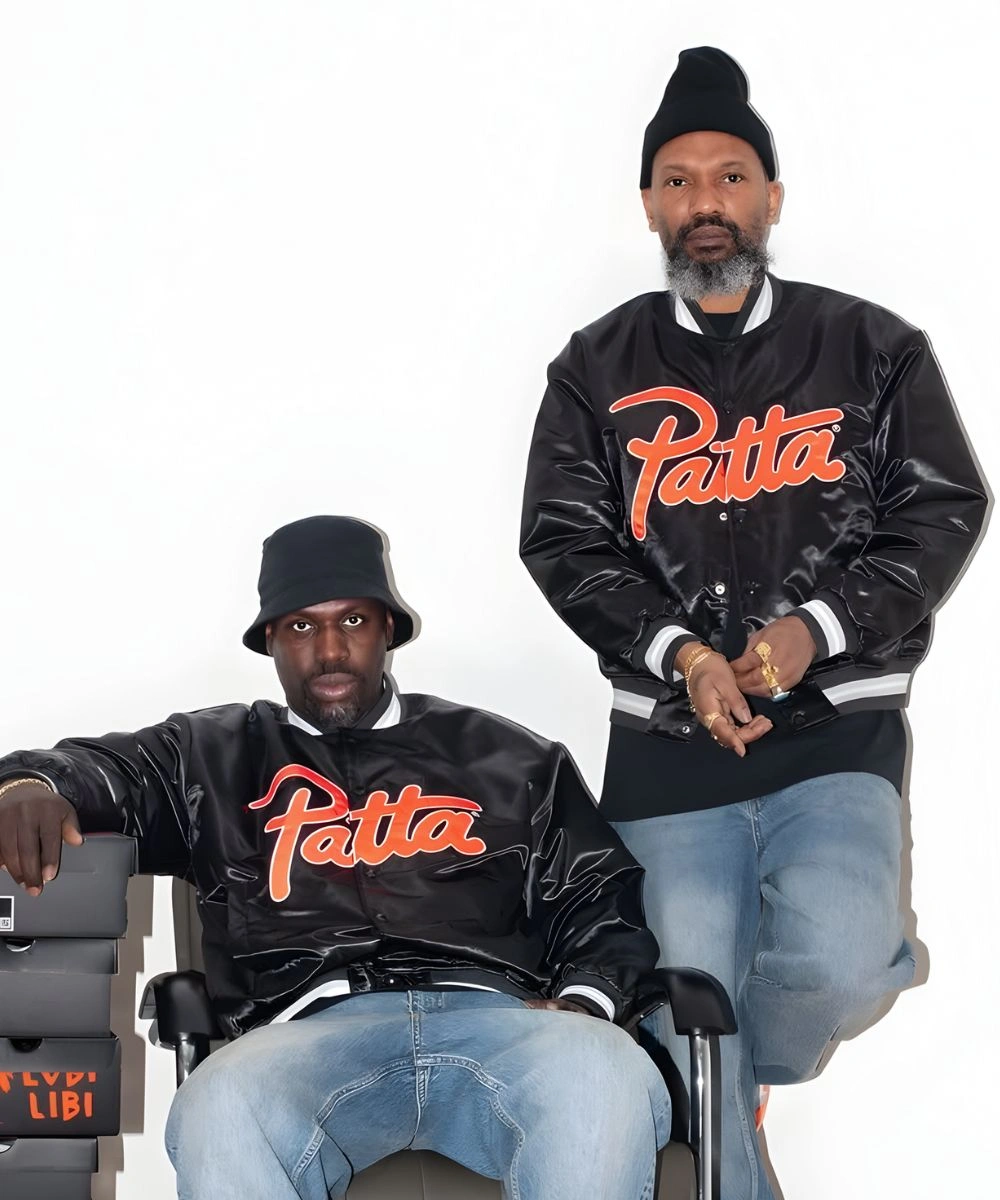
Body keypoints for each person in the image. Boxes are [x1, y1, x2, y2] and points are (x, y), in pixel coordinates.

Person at [519, 46, 988, 1200]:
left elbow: (942, 504)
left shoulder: (869, 348)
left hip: (834, 729)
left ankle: (730, 1063)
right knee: (688, 1011)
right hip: (667, 747)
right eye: (677, 180)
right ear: (647, 204)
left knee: (839, 965)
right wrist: (680, 654)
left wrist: (815, 629)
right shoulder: (594, 368)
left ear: (770, 197)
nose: (705, 202)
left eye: (729, 177)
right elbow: (563, 540)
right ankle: (712, 1077)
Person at [0, 515, 669, 1200]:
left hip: (502, 1024)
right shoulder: (211, 756)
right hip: (308, 1037)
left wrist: (587, 1000)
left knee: (603, 1070)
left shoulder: (505, 755)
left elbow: (596, 895)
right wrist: (28, 784)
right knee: (219, 1106)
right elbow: (101, 772)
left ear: (387, 629)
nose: (328, 650)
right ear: (270, 640)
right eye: (301, 627)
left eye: (352, 621)